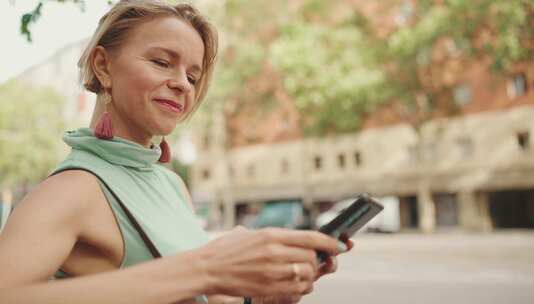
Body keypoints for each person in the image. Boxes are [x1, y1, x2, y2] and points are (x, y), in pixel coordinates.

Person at [0, 1, 353, 303]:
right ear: (103, 66)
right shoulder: (70, 189)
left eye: (193, 76)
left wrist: (258, 296)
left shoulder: (172, 185)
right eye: (162, 62)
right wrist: (207, 267)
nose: (183, 83)